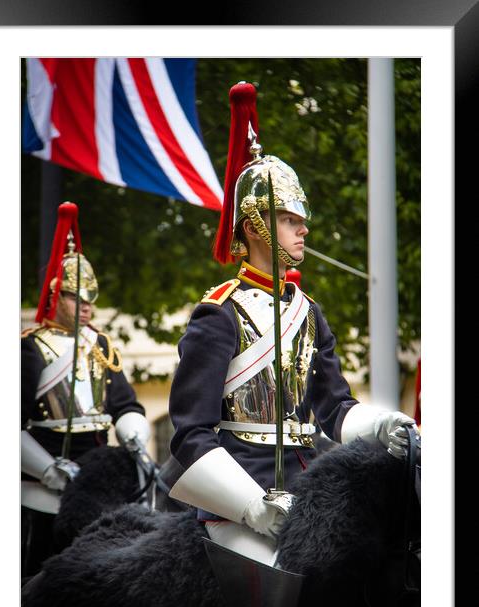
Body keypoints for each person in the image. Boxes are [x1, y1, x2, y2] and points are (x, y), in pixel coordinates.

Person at [168, 82, 418, 568]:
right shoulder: (217, 314)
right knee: (280, 592)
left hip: (310, 484)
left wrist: (382, 423)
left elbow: (334, 408)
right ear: (255, 223)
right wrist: (250, 506)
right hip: (237, 499)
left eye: (300, 218)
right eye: (288, 218)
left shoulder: (309, 312)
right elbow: (190, 433)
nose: (304, 228)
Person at [21, 201, 150, 579]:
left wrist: (134, 437)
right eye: (75, 297)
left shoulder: (102, 345)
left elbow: (126, 405)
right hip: (43, 479)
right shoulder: (30, 346)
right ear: (54, 296)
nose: (86, 307)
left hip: (98, 479)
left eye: (90, 299)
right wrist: (46, 469)